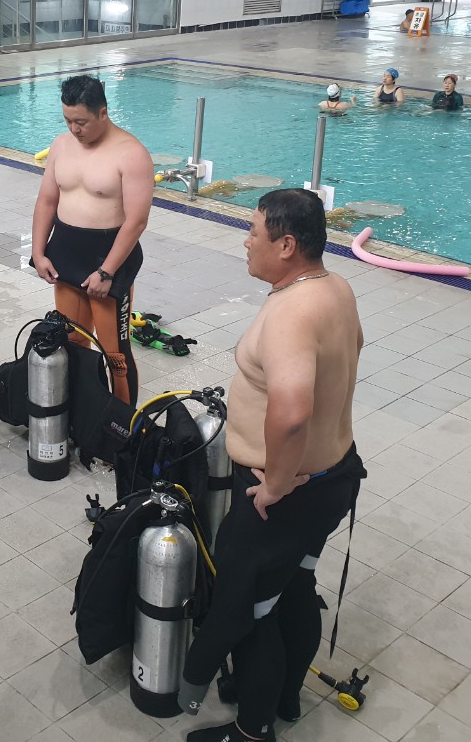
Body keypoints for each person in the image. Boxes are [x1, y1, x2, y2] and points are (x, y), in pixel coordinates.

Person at [176, 189, 365, 742]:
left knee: (250, 611)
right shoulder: (336, 287)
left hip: (284, 496)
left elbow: (291, 413)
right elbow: (350, 353)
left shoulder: (290, 313)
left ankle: (254, 731)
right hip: (334, 476)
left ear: (286, 245)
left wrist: (276, 484)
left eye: (253, 232)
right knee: (296, 588)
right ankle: (284, 698)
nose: (245, 241)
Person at [31, 74, 154, 405]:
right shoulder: (61, 145)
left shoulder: (131, 154)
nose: (74, 129)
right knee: (72, 342)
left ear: (103, 112)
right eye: (68, 121)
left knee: (115, 354)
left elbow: (137, 221)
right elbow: (47, 201)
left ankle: (124, 425)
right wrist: (38, 252)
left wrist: (107, 271)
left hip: (107, 259)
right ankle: (80, 414)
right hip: (66, 253)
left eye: (81, 122)